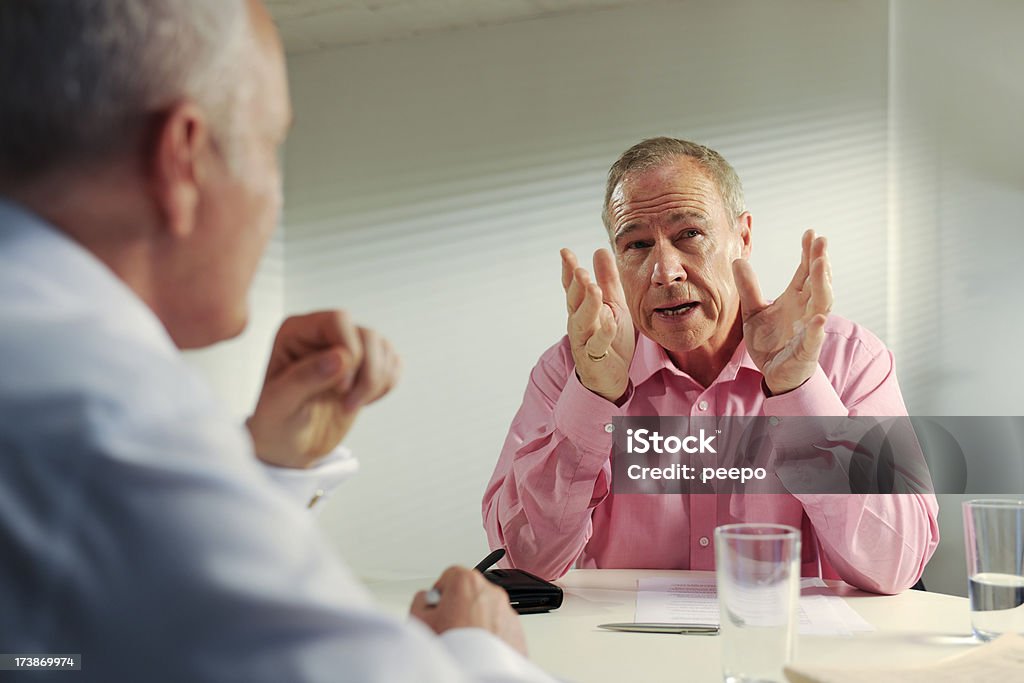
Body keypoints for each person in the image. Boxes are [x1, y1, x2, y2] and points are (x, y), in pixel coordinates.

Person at [0, 2, 555, 681]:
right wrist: (478, 646)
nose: (274, 199)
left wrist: (265, 465)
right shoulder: (101, 412)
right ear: (182, 159)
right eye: (270, 148)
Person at [482, 137, 940, 594]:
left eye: (689, 235)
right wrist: (594, 397)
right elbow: (526, 563)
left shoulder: (847, 357)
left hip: (793, 655)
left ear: (742, 237)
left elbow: (894, 564)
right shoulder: (571, 370)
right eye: (637, 244)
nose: (666, 271)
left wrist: (797, 388)